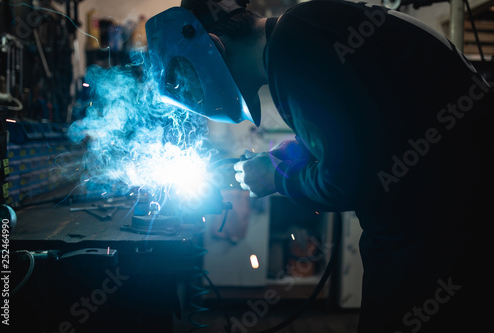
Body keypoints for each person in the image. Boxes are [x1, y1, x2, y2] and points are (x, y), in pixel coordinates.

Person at [158, 0, 492, 332]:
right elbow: (354, 135)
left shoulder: (294, 50)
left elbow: (345, 182)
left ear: (215, 45)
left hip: (443, 229)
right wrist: (288, 157)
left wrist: (277, 178)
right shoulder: (303, 30)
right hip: (443, 212)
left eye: (197, 85)